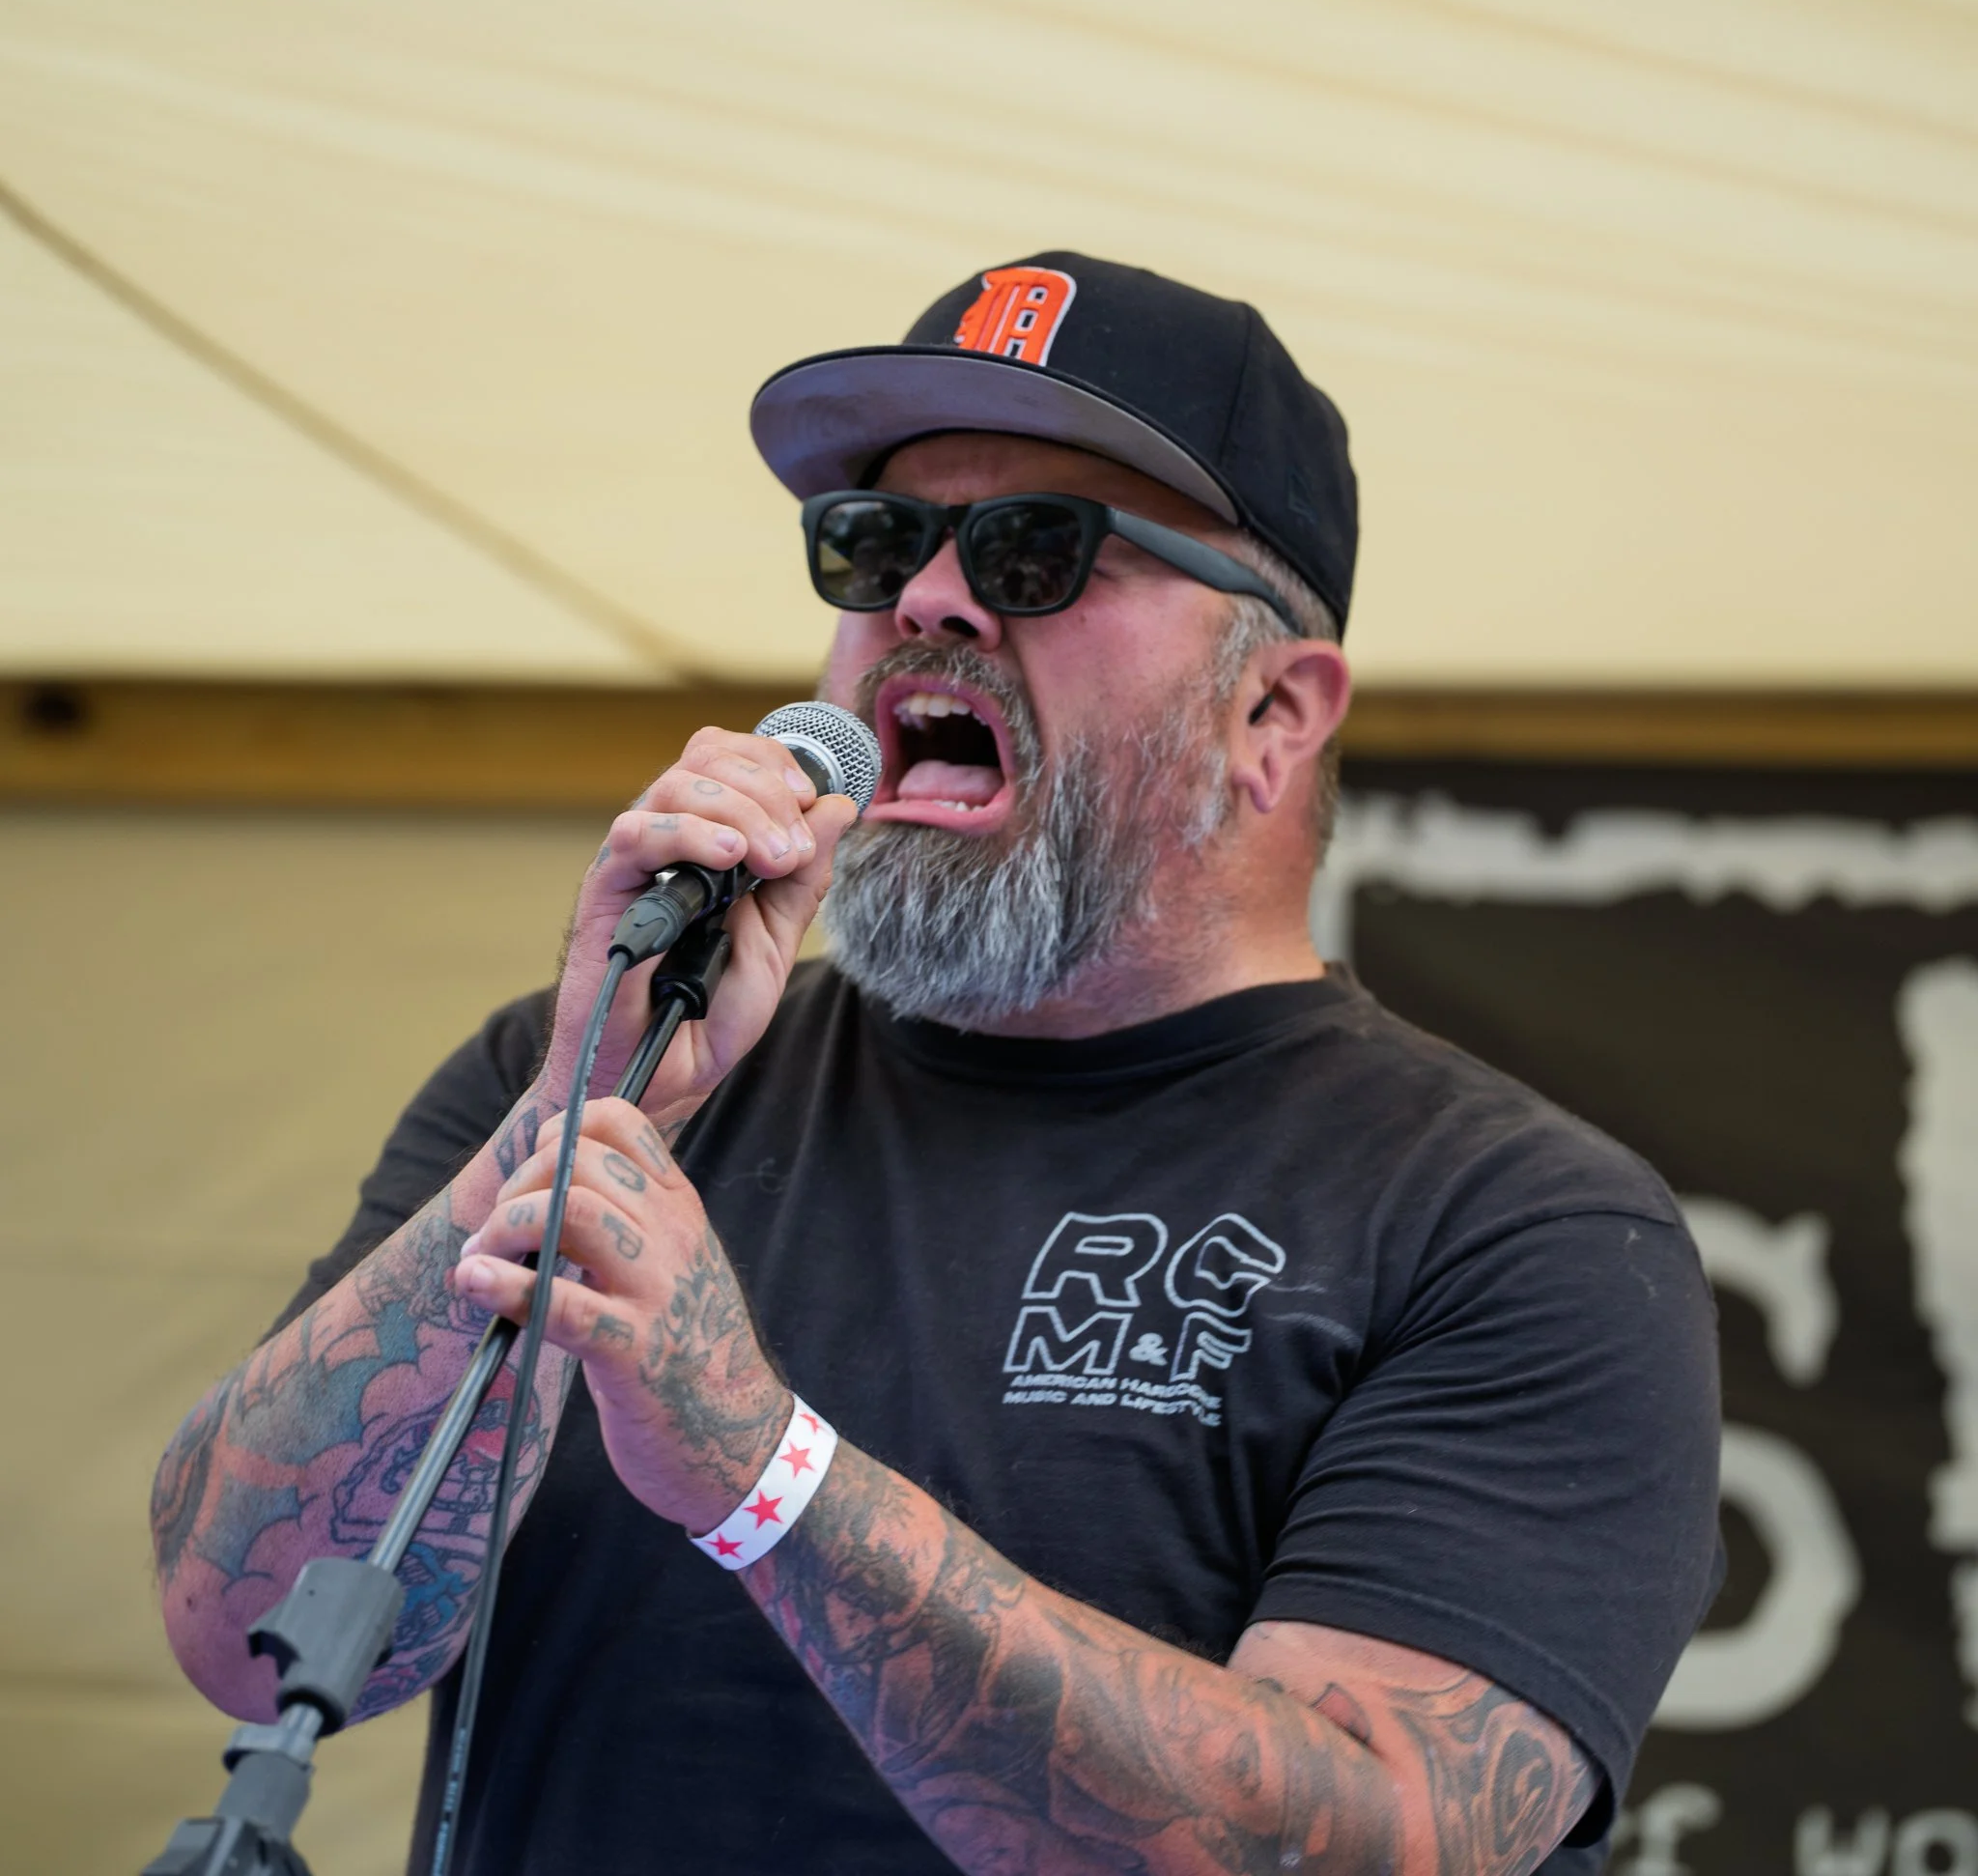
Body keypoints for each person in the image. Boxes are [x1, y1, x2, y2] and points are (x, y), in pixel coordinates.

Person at [151, 252, 1720, 1876]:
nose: (928, 599)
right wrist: (577, 1106)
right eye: (878, 539)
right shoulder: (589, 1083)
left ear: (1276, 711)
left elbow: (1373, 1841)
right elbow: (239, 1625)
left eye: (1041, 549)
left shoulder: (1513, 1226)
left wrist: (763, 1470)